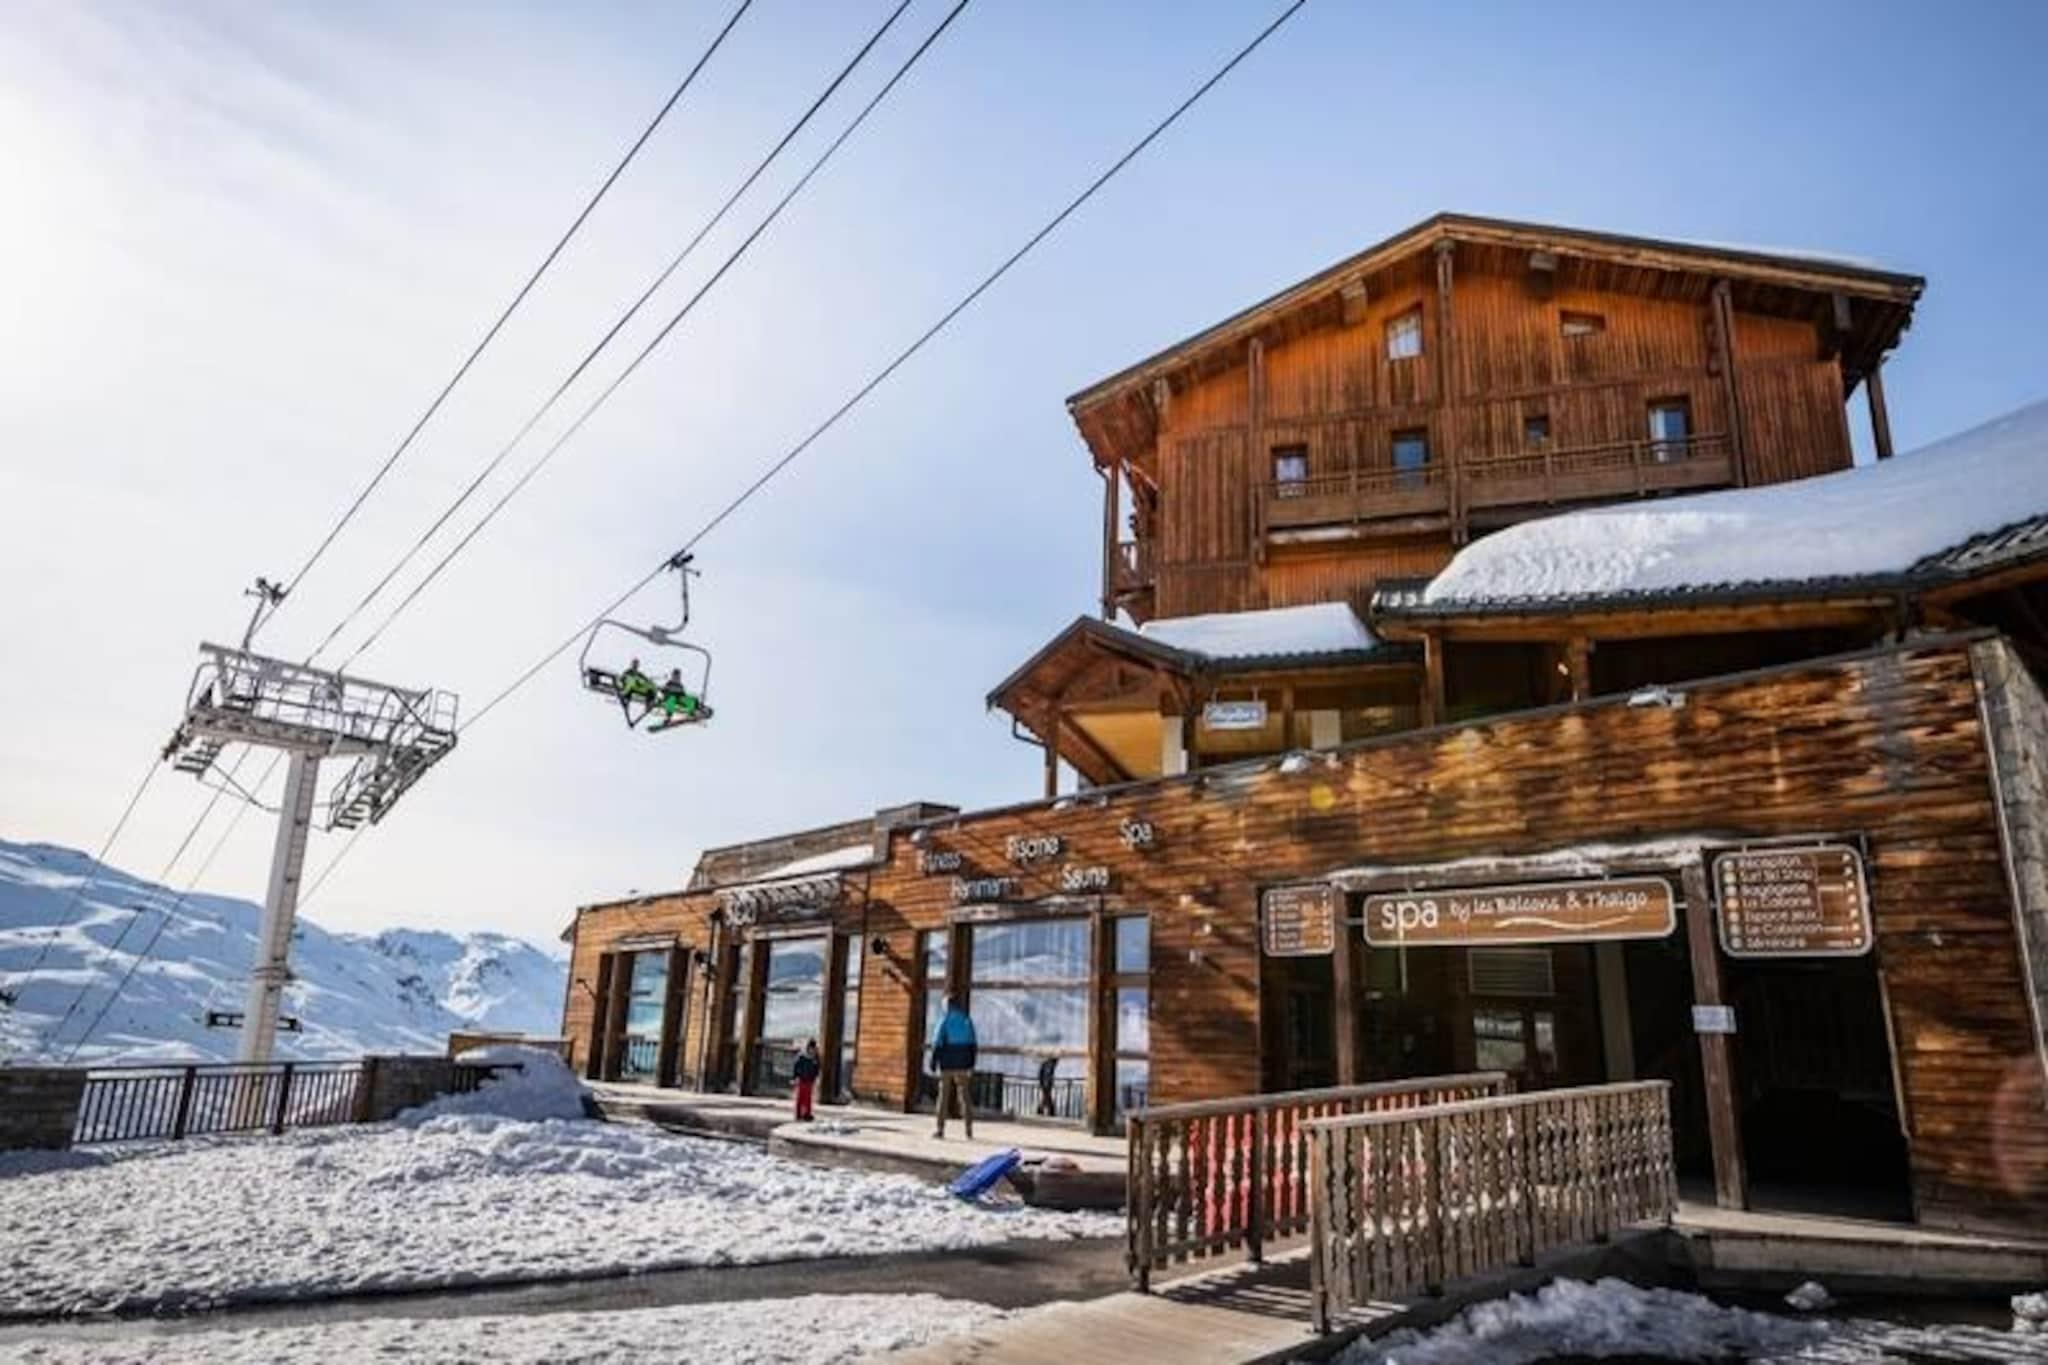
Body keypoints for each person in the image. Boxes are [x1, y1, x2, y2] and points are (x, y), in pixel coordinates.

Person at [929, 994, 977, 1139]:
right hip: (963, 1063)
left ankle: (940, 1129)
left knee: (943, 1095)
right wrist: (971, 1063)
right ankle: (968, 1129)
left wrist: (933, 1061)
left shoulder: (944, 1020)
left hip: (947, 1062)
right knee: (965, 1095)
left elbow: (937, 1041)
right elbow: (973, 1044)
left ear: (948, 1005)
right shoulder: (966, 1020)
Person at [615, 657, 656, 722]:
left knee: (651, 687)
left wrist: (648, 681)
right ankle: (625, 697)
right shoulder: (628, 671)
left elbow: (646, 680)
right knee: (631, 682)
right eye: (634, 664)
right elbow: (622, 678)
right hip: (628, 687)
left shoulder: (640, 674)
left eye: (636, 664)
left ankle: (649, 703)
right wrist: (624, 680)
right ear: (632, 664)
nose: (635, 666)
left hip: (637, 688)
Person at [791, 1039, 820, 1122]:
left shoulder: (815, 1057)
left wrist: (815, 1077)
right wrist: (795, 1077)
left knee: (808, 1098)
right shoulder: (802, 1057)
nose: (812, 1050)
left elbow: (817, 1068)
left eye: (813, 1048)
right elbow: (796, 1067)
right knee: (800, 1097)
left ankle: (807, 1114)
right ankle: (798, 1114)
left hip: (810, 1080)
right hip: (802, 1079)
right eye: (811, 1048)